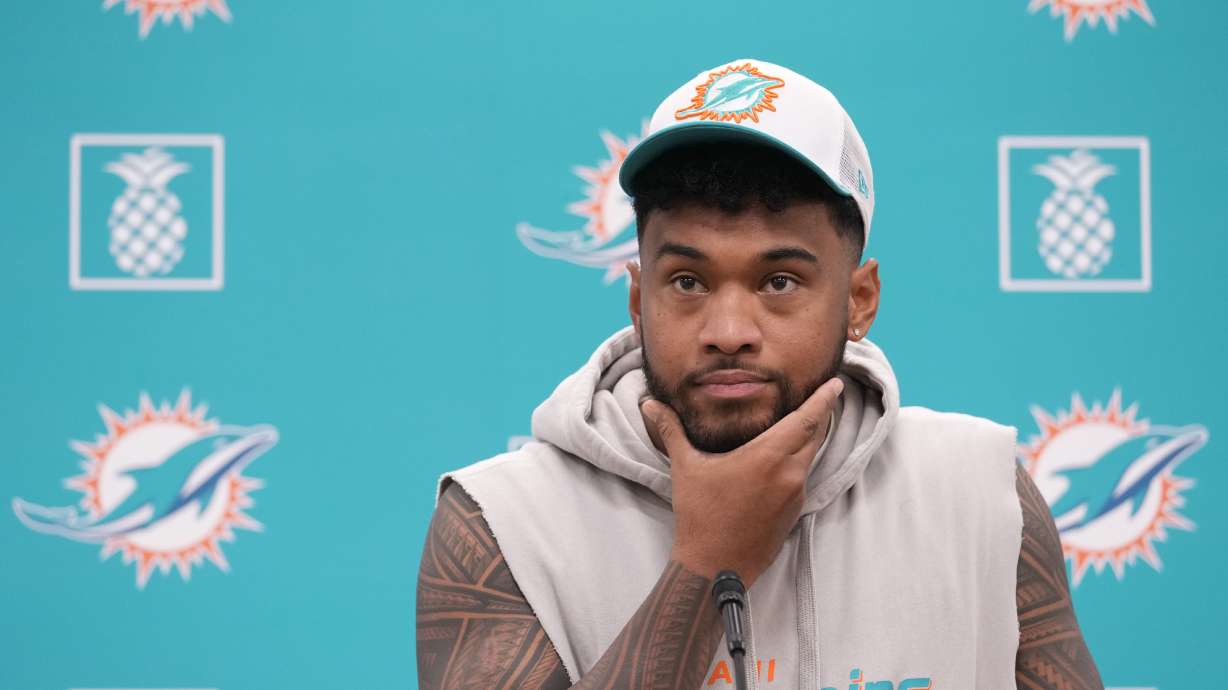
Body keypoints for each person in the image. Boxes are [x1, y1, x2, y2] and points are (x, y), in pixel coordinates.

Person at [416, 59, 1103, 690]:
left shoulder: (979, 490)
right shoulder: (503, 521)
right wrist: (710, 560)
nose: (728, 333)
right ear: (637, 301)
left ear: (859, 300)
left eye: (778, 281)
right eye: (687, 281)